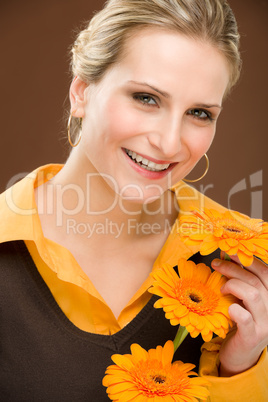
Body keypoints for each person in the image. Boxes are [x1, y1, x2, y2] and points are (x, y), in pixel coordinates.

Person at [0, 0, 267, 400]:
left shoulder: (247, 262)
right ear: (82, 93)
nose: (170, 142)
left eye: (199, 113)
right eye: (146, 98)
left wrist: (239, 367)